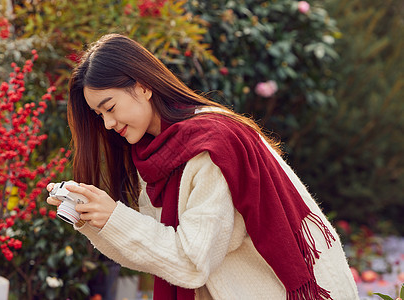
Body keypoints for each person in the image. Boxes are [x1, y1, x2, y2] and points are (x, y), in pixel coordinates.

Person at [46, 34, 359, 300]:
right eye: (99, 115)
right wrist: (94, 217)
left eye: (110, 107)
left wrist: (113, 217)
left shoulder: (210, 147)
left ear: (143, 86)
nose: (109, 123)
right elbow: (159, 253)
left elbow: (189, 261)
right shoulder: (154, 152)